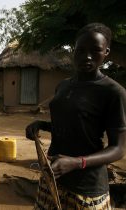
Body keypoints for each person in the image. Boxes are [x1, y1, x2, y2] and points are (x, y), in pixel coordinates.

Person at [25, 23, 126, 209]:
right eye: (80, 50)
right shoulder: (64, 85)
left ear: (106, 52)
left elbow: (118, 149)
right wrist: (41, 124)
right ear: (74, 50)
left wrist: (77, 162)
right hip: (54, 177)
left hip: (85, 187)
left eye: (95, 50)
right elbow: (73, 123)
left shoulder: (113, 92)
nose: (86, 56)